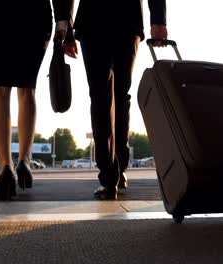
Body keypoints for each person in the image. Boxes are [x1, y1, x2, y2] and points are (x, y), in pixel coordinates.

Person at [64, 0, 168, 199]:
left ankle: (109, 176)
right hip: (127, 20)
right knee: (121, 96)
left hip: (93, 19)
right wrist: (158, 19)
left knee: (101, 97)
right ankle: (119, 171)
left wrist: (65, 25)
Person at [0, 0, 73, 200]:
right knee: (27, 89)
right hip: (33, 13)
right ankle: (24, 160)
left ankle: (5, 166)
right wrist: (62, 21)